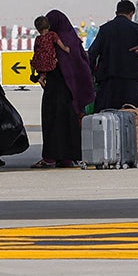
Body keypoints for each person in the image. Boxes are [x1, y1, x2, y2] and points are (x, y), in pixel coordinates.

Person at [33, 9, 95, 167]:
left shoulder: (49, 40)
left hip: (55, 89)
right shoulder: (72, 40)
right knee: (70, 124)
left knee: (53, 123)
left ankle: (51, 157)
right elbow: (82, 64)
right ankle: (69, 157)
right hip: (71, 92)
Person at [87, 0, 138, 111]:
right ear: (131, 13)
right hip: (130, 81)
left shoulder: (105, 29)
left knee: (107, 116)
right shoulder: (135, 29)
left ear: (116, 12)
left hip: (108, 80)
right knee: (129, 115)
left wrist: (90, 72)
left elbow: (92, 52)